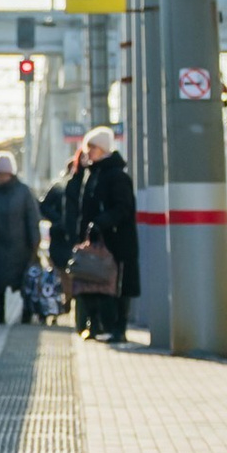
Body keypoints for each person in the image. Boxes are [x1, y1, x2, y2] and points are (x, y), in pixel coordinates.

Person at [73, 126, 140, 343]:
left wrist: (101, 222)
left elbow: (123, 208)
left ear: (102, 149)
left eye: (92, 148)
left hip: (117, 241)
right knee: (92, 281)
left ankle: (119, 328)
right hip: (95, 240)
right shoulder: (92, 174)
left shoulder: (117, 176)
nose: (88, 152)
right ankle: (94, 324)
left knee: (118, 285)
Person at [0, 153, 44, 326]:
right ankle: (0, 315)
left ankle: (26, 314)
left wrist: (35, 244)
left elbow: (32, 219)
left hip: (21, 247)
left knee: (24, 282)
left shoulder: (23, 192)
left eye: (4, 173)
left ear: (11, 173)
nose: (1, 177)